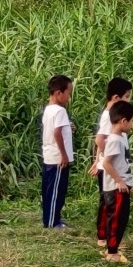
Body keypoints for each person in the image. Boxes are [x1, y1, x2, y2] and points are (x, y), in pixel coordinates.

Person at [90, 77, 133, 248]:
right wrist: (103, 158)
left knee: (107, 203)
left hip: (108, 165)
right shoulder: (110, 115)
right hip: (110, 169)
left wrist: (97, 159)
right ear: (116, 97)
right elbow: (100, 139)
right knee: (108, 204)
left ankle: (106, 237)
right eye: (127, 96)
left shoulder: (111, 114)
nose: (129, 100)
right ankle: (104, 238)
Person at [98, 100, 133, 264]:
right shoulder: (114, 140)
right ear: (123, 121)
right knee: (116, 220)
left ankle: (111, 248)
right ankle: (112, 253)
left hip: (122, 186)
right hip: (116, 189)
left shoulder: (120, 138)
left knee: (120, 218)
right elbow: (106, 163)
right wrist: (120, 182)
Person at [40, 74, 74, 229]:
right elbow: (57, 133)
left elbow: (56, 129)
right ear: (58, 93)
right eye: (68, 93)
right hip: (58, 158)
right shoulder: (60, 111)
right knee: (56, 192)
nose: (69, 97)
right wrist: (64, 155)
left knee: (49, 190)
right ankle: (53, 222)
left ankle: (51, 218)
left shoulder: (48, 109)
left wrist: (69, 126)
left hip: (49, 155)